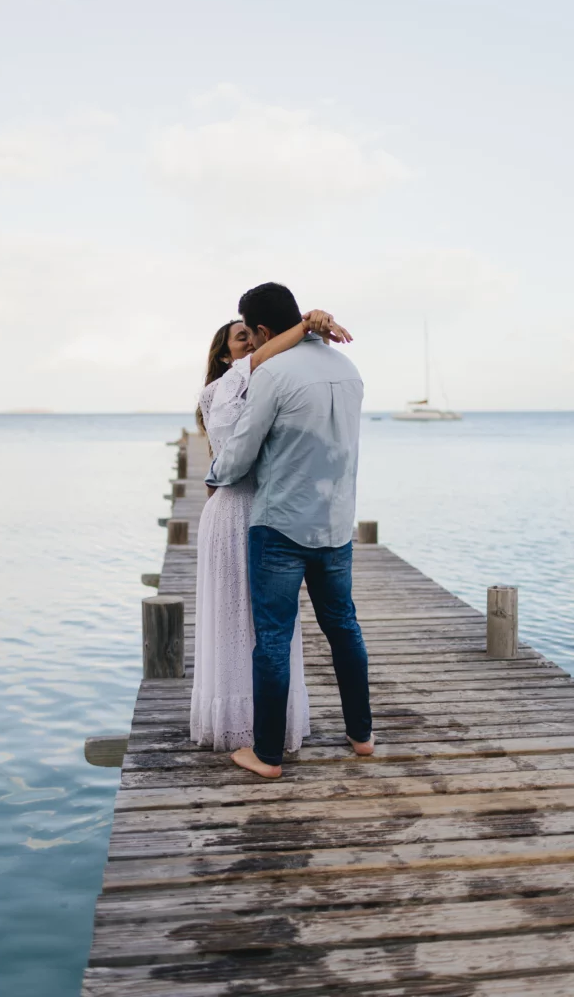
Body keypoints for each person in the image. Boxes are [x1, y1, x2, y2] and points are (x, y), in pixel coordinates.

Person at [206, 282, 374, 778]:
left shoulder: (272, 373)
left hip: (280, 523)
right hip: (336, 523)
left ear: (261, 330)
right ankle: (361, 735)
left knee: (273, 640)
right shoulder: (348, 369)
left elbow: (240, 453)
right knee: (343, 627)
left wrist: (215, 475)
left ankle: (267, 755)